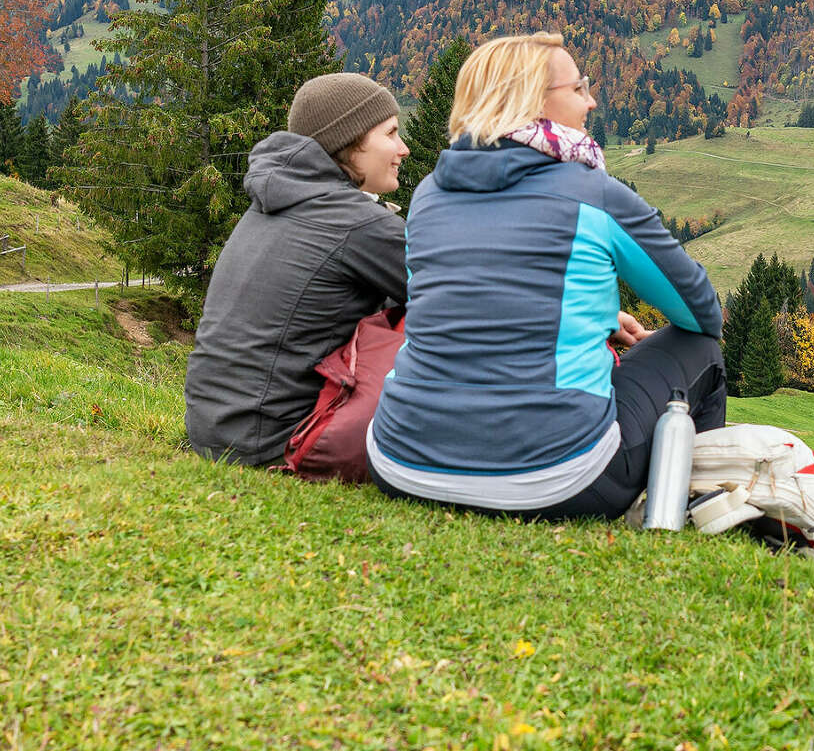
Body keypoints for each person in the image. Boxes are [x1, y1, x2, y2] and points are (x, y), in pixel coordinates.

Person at [368, 32, 725, 518]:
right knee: (702, 350)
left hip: (402, 464)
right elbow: (701, 310)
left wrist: (591, 314)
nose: (591, 100)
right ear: (534, 100)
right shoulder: (595, 193)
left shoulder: (429, 194)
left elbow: (462, 300)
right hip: (558, 480)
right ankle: (693, 512)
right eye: (578, 88)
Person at [184, 72, 412, 465]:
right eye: (390, 133)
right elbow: (463, 295)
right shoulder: (355, 222)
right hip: (276, 443)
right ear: (351, 142)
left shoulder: (276, 202)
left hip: (214, 433)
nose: (403, 148)